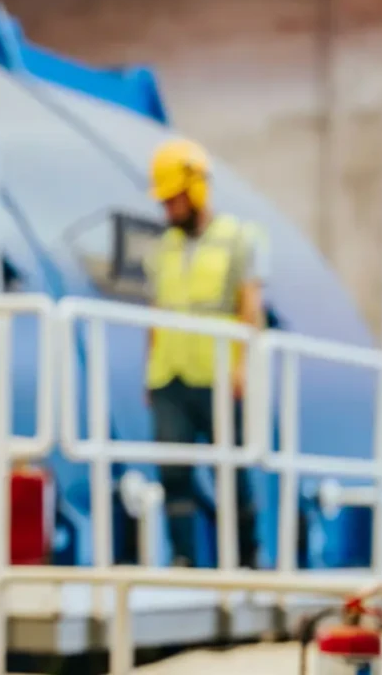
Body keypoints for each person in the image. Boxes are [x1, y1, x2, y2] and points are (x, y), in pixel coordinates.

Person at [143, 138, 265, 569]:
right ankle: (183, 558)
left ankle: (247, 557)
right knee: (173, 469)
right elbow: (155, 312)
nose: (168, 209)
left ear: (196, 189)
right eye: (165, 201)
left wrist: (242, 366)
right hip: (169, 374)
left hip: (218, 374)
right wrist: (148, 370)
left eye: (174, 198)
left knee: (230, 470)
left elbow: (250, 306)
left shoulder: (237, 239)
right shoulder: (163, 248)